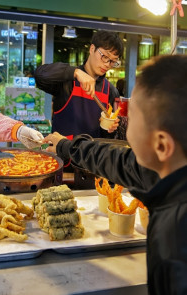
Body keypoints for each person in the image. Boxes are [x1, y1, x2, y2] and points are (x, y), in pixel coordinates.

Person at [43, 54, 187, 295]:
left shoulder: (177, 237)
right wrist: (65, 146)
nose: (125, 130)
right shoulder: (162, 170)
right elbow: (114, 160)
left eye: (132, 122)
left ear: (161, 145)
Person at [34, 30, 123, 141]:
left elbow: (108, 139)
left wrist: (110, 130)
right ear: (92, 49)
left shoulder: (111, 91)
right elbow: (39, 74)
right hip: (62, 156)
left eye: (112, 61)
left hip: (91, 156)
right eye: (105, 57)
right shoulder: (67, 80)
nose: (107, 64)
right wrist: (75, 73)